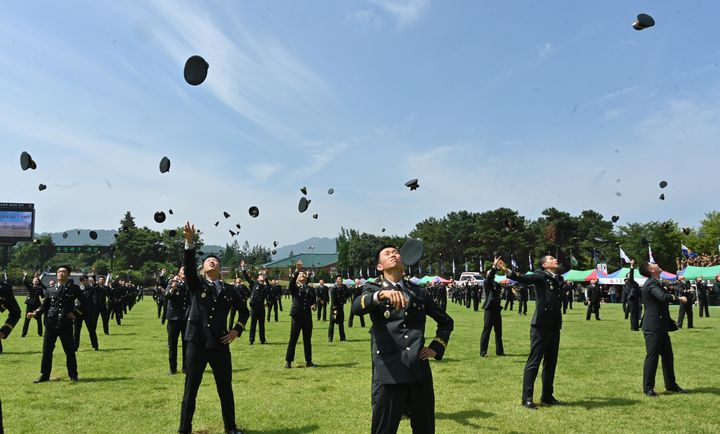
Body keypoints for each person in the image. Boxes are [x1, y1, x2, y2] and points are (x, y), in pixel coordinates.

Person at [353, 244, 453, 433]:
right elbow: (357, 307)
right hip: (388, 372)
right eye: (387, 253)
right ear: (379, 267)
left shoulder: (418, 292)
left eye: (396, 252)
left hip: (419, 371)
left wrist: (436, 347)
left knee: (425, 429)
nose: (393, 255)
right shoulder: (372, 288)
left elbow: (446, 322)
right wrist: (382, 295)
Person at [178, 222, 248, 434]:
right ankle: (184, 429)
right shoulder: (196, 284)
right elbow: (189, 267)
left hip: (220, 343)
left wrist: (236, 330)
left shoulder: (229, 290)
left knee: (225, 388)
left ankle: (231, 427)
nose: (211, 261)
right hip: (196, 343)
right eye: (208, 260)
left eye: (215, 260)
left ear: (220, 268)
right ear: (202, 268)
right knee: (191, 389)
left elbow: (244, 311)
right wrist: (189, 242)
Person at [501, 255, 563, 409]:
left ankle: (547, 396)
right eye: (551, 258)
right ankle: (527, 398)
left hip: (554, 325)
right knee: (534, 361)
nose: (555, 260)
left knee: (551, 362)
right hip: (540, 325)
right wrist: (506, 270)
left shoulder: (557, 278)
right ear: (544, 265)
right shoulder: (540, 276)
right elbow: (523, 278)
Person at [27, 265, 84, 383]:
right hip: (51, 323)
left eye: (64, 271)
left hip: (66, 324)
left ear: (68, 275)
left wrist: (75, 313)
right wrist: (35, 313)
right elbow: (45, 305)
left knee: (69, 351)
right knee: (47, 351)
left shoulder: (74, 288)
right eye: (59, 271)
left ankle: (73, 375)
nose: (61, 273)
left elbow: (86, 303)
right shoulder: (50, 289)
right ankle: (44, 375)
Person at [638, 261, 687, 397]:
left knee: (668, 357)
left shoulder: (655, 282)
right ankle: (648, 388)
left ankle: (671, 385)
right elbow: (661, 297)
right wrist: (678, 298)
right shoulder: (651, 284)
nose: (656, 264)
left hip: (660, 326)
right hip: (653, 327)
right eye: (652, 264)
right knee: (652, 357)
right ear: (651, 270)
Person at [285, 260, 316, 368]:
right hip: (297, 316)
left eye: (303, 274)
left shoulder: (311, 289)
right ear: (297, 278)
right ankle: (288, 361)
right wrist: (297, 270)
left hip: (307, 317)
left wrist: (314, 306)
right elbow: (291, 281)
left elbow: (313, 302)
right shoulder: (294, 288)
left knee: (307, 340)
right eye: (300, 274)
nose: (302, 274)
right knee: (293, 339)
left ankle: (309, 361)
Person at [165, 272, 189, 375]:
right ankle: (173, 368)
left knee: (186, 345)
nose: (185, 272)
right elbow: (167, 296)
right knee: (172, 344)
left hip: (185, 318)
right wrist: (173, 288)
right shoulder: (172, 282)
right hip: (173, 318)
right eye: (183, 270)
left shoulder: (189, 284)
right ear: (179, 273)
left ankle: (186, 368)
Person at [480, 258, 504, 357]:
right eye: (491, 274)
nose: (493, 275)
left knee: (499, 331)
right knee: (487, 330)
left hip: (497, 309)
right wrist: (493, 267)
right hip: (489, 309)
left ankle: (500, 351)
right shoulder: (487, 283)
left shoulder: (496, 284)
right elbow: (490, 277)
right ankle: (483, 352)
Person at [240, 261, 268, 345]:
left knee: (262, 325)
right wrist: (243, 268)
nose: (262, 277)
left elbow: (269, 294)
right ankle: (251, 340)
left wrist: (265, 276)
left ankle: (262, 340)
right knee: (253, 324)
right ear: (257, 279)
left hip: (261, 308)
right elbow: (246, 277)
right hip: (254, 307)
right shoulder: (254, 284)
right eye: (260, 276)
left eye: (262, 276)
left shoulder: (266, 286)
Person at [73, 274, 99, 351]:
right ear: (80, 282)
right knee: (76, 330)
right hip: (78, 312)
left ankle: (95, 345)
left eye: (86, 281)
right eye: (83, 281)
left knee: (91, 330)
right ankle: (75, 346)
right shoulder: (77, 289)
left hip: (88, 312)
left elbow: (92, 298)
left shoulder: (91, 289)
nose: (85, 282)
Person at [0, 279, 22, 354]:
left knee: (16, 314)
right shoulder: (6, 287)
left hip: (6, 297)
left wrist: (4, 331)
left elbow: (15, 311)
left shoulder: (5, 287)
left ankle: (2, 333)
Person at [21, 272, 45, 337]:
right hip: (29, 304)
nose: (35, 281)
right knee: (27, 319)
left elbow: (43, 297)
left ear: (38, 281)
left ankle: (40, 333)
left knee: (39, 319)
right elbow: (24, 283)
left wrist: (43, 300)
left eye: (36, 280)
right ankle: (24, 334)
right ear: (33, 281)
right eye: (34, 280)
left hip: (37, 305)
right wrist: (25, 276)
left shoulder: (40, 288)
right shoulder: (30, 286)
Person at [328, 276, 348, 342]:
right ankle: (330, 338)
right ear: (336, 280)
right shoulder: (334, 288)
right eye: (339, 279)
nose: (341, 280)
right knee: (332, 323)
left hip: (341, 307)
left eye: (341, 279)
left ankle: (342, 338)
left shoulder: (344, 287)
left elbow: (347, 294)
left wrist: (344, 300)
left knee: (341, 323)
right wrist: (334, 308)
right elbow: (333, 299)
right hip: (334, 308)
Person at [625, 260, 641, 331]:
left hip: (635, 299)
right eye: (628, 275)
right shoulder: (630, 281)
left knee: (636, 314)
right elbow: (631, 275)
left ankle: (636, 327)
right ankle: (633, 327)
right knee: (634, 314)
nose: (630, 275)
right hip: (632, 300)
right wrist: (632, 266)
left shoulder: (633, 282)